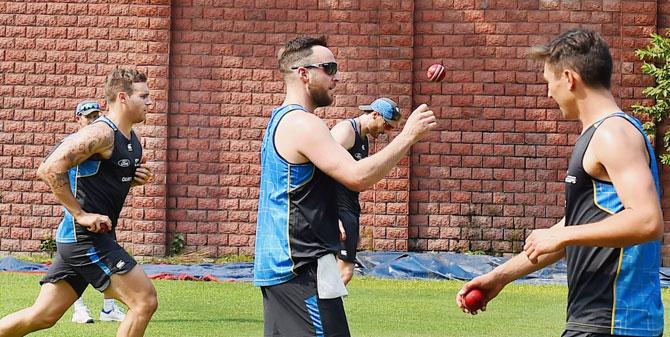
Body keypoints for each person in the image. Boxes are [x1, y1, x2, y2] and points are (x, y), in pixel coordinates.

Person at [456, 28, 664, 337]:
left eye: (548, 82)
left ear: (569, 78)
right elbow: (581, 225)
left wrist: (565, 236)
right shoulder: (598, 135)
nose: (548, 93)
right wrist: (499, 276)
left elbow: (647, 221)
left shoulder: (613, 134)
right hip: (597, 321)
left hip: (614, 323)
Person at [254, 36, 436, 337]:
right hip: (300, 267)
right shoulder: (303, 124)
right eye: (329, 68)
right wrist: (407, 137)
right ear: (303, 73)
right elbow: (357, 176)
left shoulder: (282, 119)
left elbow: (304, 186)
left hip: (288, 268)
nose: (336, 77)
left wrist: (329, 214)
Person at [0, 68, 157, 337]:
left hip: (83, 239)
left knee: (42, 316)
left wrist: (133, 180)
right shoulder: (100, 134)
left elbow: (98, 179)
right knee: (144, 301)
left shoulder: (132, 140)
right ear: (123, 97)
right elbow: (49, 169)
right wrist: (81, 214)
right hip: (85, 238)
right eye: (143, 96)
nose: (149, 102)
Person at [331, 97, 402, 285]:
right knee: (344, 272)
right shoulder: (346, 131)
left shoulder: (363, 140)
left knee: (334, 271)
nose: (386, 132)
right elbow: (320, 169)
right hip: (337, 210)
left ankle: (319, 312)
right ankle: (322, 313)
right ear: (375, 114)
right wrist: (330, 215)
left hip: (348, 210)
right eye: (386, 126)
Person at [67, 100, 126, 324]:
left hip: (103, 216)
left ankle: (108, 309)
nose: (92, 120)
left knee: (110, 262)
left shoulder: (103, 143)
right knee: (76, 267)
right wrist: (77, 212)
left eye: (95, 116)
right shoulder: (73, 145)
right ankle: (79, 309)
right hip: (80, 218)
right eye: (88, 117)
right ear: (78, 119)